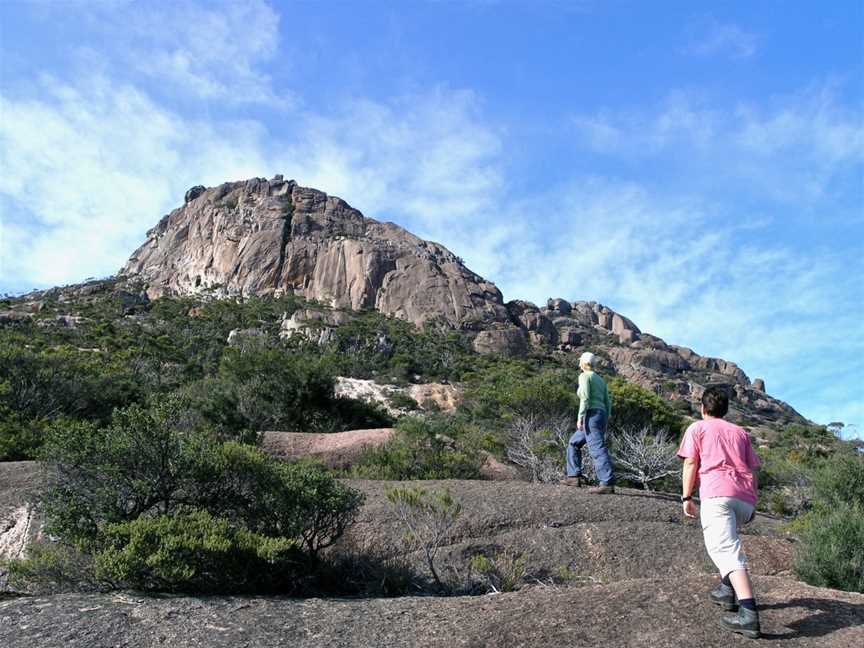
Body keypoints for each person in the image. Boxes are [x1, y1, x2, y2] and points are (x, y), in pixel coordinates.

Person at [677, 386, 762, 639]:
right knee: (729, 541)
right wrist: (753, 501)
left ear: (703, 408)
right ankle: (726, 590)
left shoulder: (697, 428)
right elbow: (754, 469)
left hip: (717, 495)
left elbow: (691, 462)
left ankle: (749, 614)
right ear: (725, 410)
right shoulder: (741, 433)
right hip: (744, 499)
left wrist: (686, 496)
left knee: (725, 549)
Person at [560, 351, 615, 494]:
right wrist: (605, 419)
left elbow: (584, 398)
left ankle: (607, 483)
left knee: (597, 448)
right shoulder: (600, 379)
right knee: (574, 443)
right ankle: (573, 477)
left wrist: (580, 417)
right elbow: (608, 402)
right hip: (601, 415)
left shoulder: (584, 376)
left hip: (591, 415)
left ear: (582, 363)